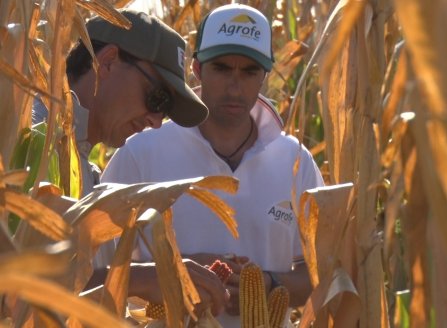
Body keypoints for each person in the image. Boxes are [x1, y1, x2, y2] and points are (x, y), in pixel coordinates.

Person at [101, 4, 324, 327]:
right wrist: (168, 276)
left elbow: (320, 274)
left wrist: (270, 285)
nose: (235, 86)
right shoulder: (142, 152)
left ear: (265, 76)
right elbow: (92, 272)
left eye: (249, 71)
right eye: (221, 68)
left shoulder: (295, 161)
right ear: (196, 70)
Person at [31, 9, 228, 317]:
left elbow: (74, 288)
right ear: (108, 62)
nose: (156, 122)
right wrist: (137, 279)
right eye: (158, 99)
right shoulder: (27, 136)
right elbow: (17, 285)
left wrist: (160, 274)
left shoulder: (85, 170)